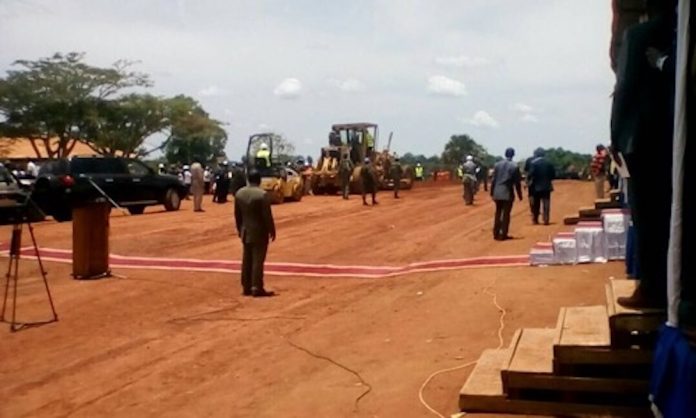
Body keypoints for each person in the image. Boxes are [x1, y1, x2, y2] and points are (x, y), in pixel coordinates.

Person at [611, 0, 676, 308]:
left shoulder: (637, 36)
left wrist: (617, 138)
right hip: (673, 139)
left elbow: (624, 90)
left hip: (643, 140)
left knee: (647, 217)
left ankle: (651, 288)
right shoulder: (677, 36)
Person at [234, 169, 276, 297]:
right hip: (259, 231)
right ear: (259, 180)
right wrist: (272, 230)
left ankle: (246, 286)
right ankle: (256, 286)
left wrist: (239, 229)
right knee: (258, 260)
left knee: (247, 259)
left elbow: (237, 215)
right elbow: (267, 216)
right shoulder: (262, 195)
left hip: (245, 231)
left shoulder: (239, 193)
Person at [490, 148, 523, 240]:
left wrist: (492, 192)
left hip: (497, 192)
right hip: (507, 193)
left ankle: (495, 233)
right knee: (506, 214)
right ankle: (503, 234)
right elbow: (517, 183)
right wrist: (519, 195)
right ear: (513, 155)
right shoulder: (514, 166)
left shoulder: (497, 165)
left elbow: (493, 180)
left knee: (498, 212)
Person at [527, 148, 555, 225]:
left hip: (536, 186)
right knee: (546, 202)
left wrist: (529, 182)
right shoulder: (549, 163)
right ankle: (546, 219)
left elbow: (530, 175)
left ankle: (535, 219)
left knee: (536, 203)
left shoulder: (533, 163)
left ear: (536, 154)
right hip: (546, 185)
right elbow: (553, 175)